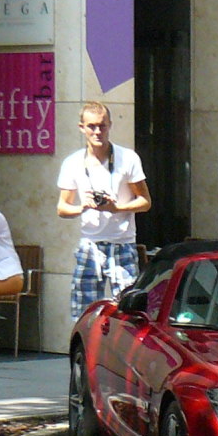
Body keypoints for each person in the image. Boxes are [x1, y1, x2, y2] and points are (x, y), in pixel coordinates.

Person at [57, 101, 151, 320]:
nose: (97, 132)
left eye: (102, 126)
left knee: (129, 312)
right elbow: (62, 208)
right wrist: (83, 206)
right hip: (89, 245)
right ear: (82, 127)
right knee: (84, 314)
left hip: (122, 242)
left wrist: (116, 207)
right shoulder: (72, 163)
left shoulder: (128, 158)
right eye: (92, 126)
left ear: (110, 125)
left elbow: (145, 202)